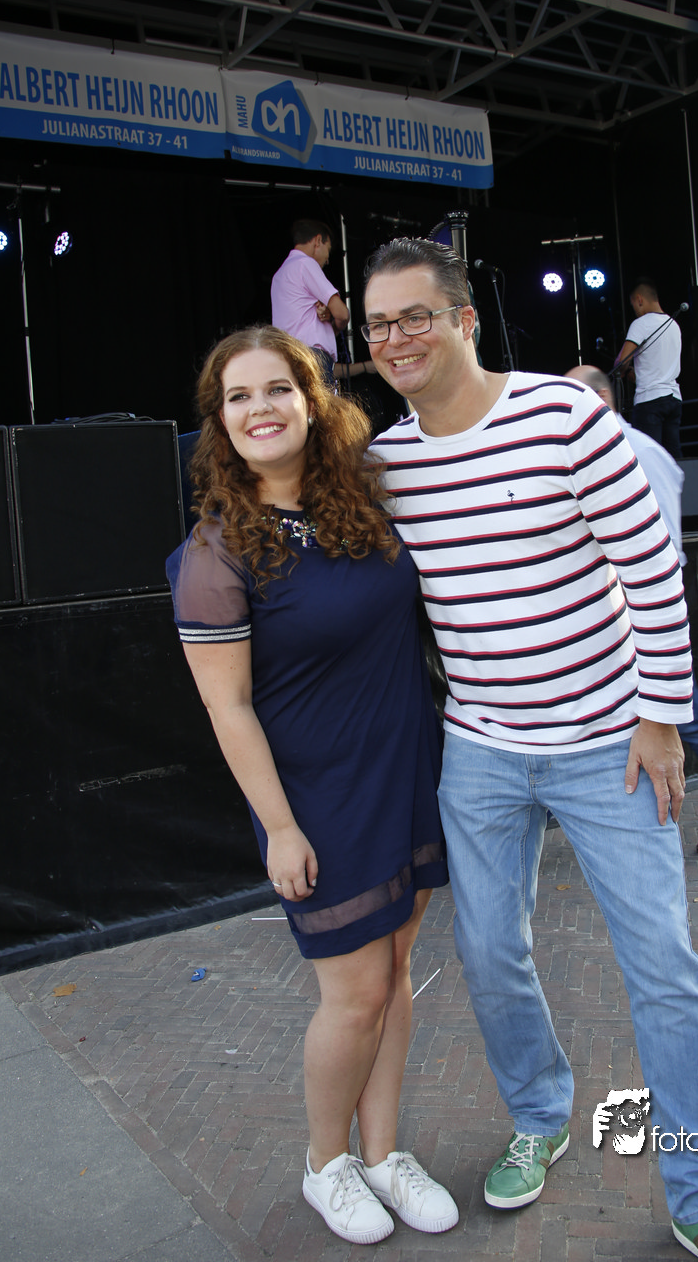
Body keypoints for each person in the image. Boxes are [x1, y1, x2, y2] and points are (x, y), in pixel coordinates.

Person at [360, 238, 698, 1262]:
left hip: (607, 747)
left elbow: (652, 569)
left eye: (416, 316)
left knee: (664, 971)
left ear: (465, 321)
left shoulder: (562, 416)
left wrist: (660, 718)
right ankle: (541, 1116)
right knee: (488, 955)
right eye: (377, 325)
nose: (396, 338)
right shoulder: (389, 466)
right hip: (480, 751)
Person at [166, 326, 457, 1246]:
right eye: (238, 396)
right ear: (220, 421)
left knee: (396, 971)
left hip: (406, 768)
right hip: (316, 801)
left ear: (311, 400)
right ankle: (325, 1164)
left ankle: (383, 1153)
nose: (260, 409)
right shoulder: (216, 552)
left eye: (277, 389)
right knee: (355, 993)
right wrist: (280, 827)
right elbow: (228, 710)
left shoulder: (362, 503)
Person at [566, 364, 698, 856]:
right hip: (626, 606)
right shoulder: (615, 450)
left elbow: (656, 552)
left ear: (599, 401)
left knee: (686, 714)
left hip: (639, 608)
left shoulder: (632, 453)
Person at [270, 218, 378, 388]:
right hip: (311, 357)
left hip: (286, 359)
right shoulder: (305, 264)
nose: (327, 260)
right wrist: (335, 326)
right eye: (328, 250)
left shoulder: (279, 275)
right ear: (318, 241)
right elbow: (343, 314)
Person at [614, 275, 683, 458]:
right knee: (672, 457)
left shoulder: (641, 324)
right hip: (673, 398)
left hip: (649, 401)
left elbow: (622, 361)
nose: (635, 311)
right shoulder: (673, 325)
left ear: (639, 300)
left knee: (648, 457)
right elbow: (655, 368)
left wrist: (623, 370)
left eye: (634, 306)